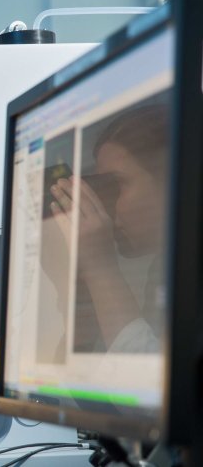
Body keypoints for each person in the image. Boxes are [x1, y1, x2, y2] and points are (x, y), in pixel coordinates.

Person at [49, 104, 168, 352]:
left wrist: (100, 268)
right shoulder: (164, 269)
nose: (106, 201)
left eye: (117, 184)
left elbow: (144, 380)